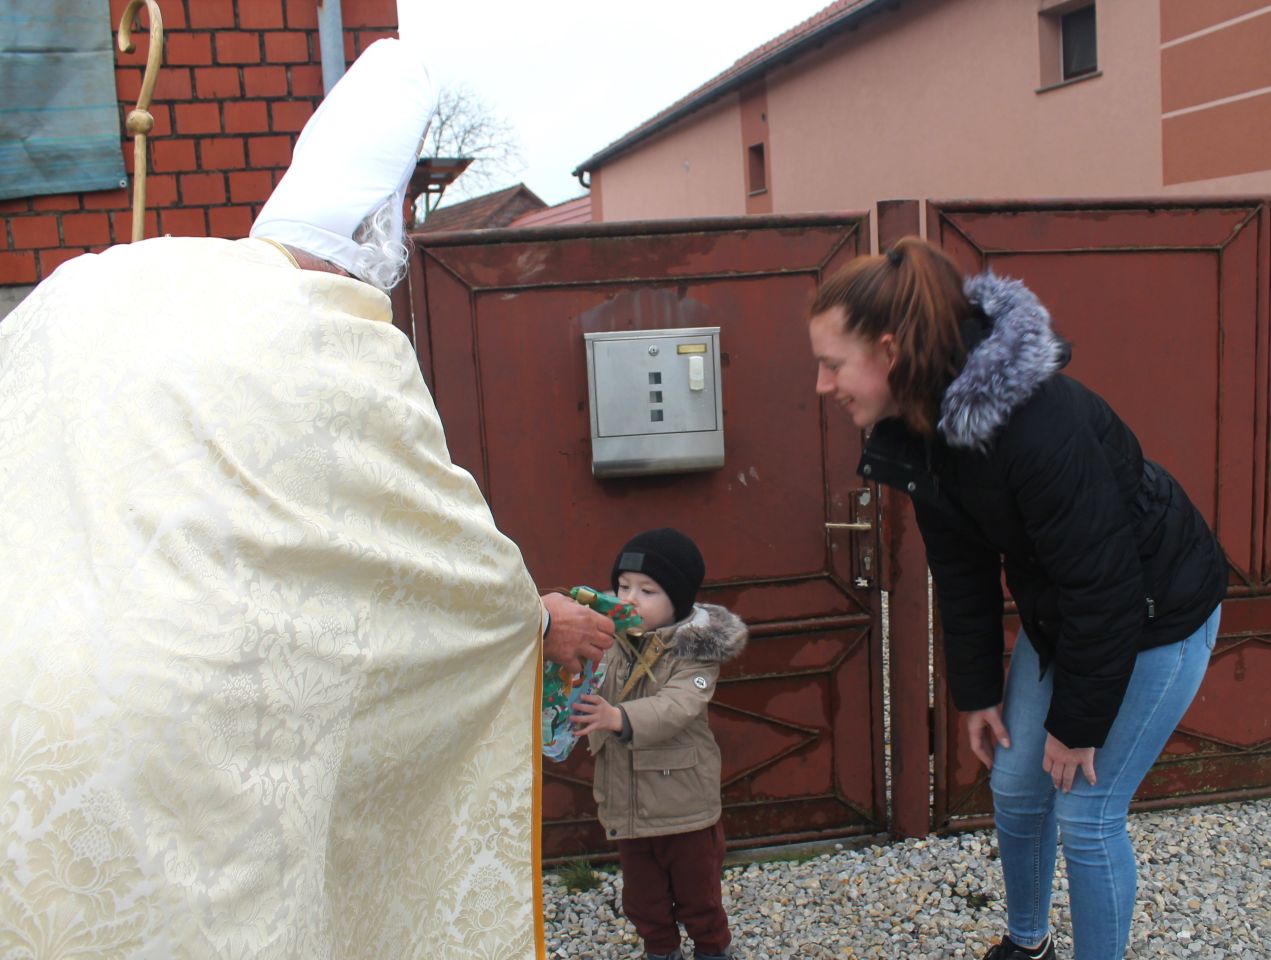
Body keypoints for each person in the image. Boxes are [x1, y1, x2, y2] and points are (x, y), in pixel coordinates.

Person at [0, 36, 611, 960]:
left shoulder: (96, 280)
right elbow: (436, 561)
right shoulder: (334, 334)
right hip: (183, 735)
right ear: (381, 239)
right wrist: (533, 623)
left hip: (21, 694)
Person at [806, 237, 1227, 960]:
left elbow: (1105, 586)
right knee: (1014, 785)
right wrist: (976, 693)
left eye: (832, 363)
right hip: (1071, 610)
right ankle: (1027, 945)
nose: (822, 384)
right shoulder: (919, 423)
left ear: (889, 351)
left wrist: (1078, 724)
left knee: (1087, 814)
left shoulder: (1038, 425)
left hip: (1157, 614)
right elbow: (960, 566)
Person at [571, 528, 748, 960]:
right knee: (643, 901)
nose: (630, 599)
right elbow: (588, 683)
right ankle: (661, 950)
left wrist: (617, 717)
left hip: (683, 805)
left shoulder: (695, 651)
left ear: (678, 600)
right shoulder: (611, 640)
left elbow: (679, 705)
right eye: (623, 586)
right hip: (628, 803)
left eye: (647, 591)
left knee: (699, 898)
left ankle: (713, 950)